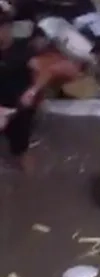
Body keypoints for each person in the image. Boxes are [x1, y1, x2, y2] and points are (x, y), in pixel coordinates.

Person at [0, 11, 44, 169]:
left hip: (19, 109)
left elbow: (41, 73)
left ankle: (31, 187)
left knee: (21, 152)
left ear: (7, 28)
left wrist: (32, 91)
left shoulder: (22, 50)